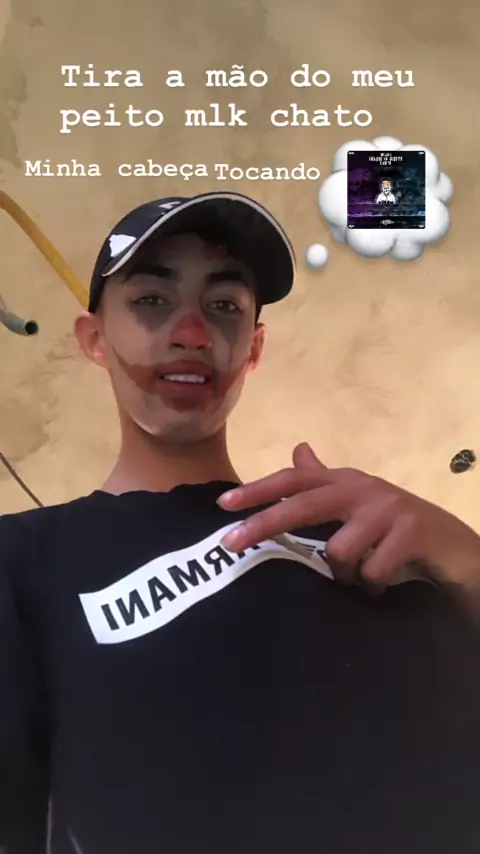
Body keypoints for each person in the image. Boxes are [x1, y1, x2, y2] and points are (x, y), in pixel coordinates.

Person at [1, 191, 480, 854]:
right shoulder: (23, 557)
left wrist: (467, 559)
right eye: (152, 300)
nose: (193, 334)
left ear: (253, 348)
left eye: (223, 306)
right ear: (94, 340)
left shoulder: (367, 529)